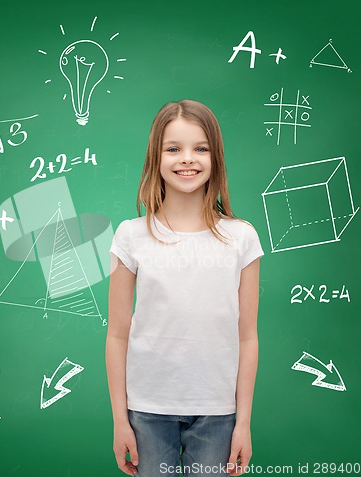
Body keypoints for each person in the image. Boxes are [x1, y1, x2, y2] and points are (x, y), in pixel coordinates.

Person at [106, 100, 264, 477]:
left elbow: (247, 337)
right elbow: (117, 334)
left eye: (200, 148)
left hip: (218, 413)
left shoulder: (241, 238)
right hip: (146, 409)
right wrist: (119, 420)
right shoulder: (131, 235)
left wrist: (243, 422)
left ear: (215, 157)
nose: (187, 159)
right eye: (173, 148)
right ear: (155, 158)